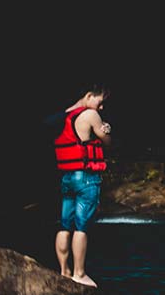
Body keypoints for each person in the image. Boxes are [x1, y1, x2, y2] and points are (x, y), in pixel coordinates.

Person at [53, 85, 111, 288]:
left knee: (64, 225)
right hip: (85, 177)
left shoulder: (65, 115)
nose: (101, 107)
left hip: (66, 176)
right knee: (81, 226)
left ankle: (64, 271)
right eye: (100, 101)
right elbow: (106, 141)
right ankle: (79, 273)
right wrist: (106, 130)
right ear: (88, 96)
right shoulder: (90, 115)